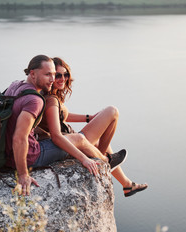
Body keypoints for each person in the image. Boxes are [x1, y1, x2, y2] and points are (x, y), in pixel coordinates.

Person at [4, 55, 126, 196]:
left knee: (91, 139)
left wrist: (88, 118)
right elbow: (20, 138)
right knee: (83, 136)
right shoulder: (36, 100)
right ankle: (105, 163)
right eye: (48, 75)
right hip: (32, 155)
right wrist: (23, 174)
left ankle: (124, 181)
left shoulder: (15, 86)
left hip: (8, 153)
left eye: (54, 75)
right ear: (32, 73)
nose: (52, 79)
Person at [35, 57, 148, 197]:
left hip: (65, 140)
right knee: (112, 112)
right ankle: (102, 159)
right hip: (66, 143)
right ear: (50, 75)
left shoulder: (49, 95)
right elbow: (56, 131)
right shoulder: (50, 99)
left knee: (102, 134)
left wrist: (88, 118)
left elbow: (61, 116)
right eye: (58, 75)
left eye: (65, 74)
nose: (62, 78)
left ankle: (127, 185)